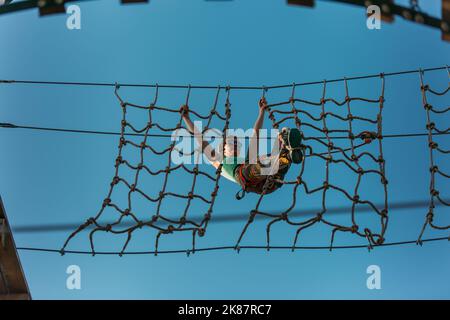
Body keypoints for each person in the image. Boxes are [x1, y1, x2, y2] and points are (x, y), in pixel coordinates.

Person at [180, 97, 303, 198]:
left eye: (237, 143)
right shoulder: (218, 160)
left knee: (278, 151)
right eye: (232, 143)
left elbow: (256, 133)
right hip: (249, 179)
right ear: (223, 148)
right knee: (262, 162)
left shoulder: (245, 160)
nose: (236, 144)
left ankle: (288, 153)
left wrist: (261, 112)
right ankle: (283, 153)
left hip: (269, 181)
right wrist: (186, 118)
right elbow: (199, 137)